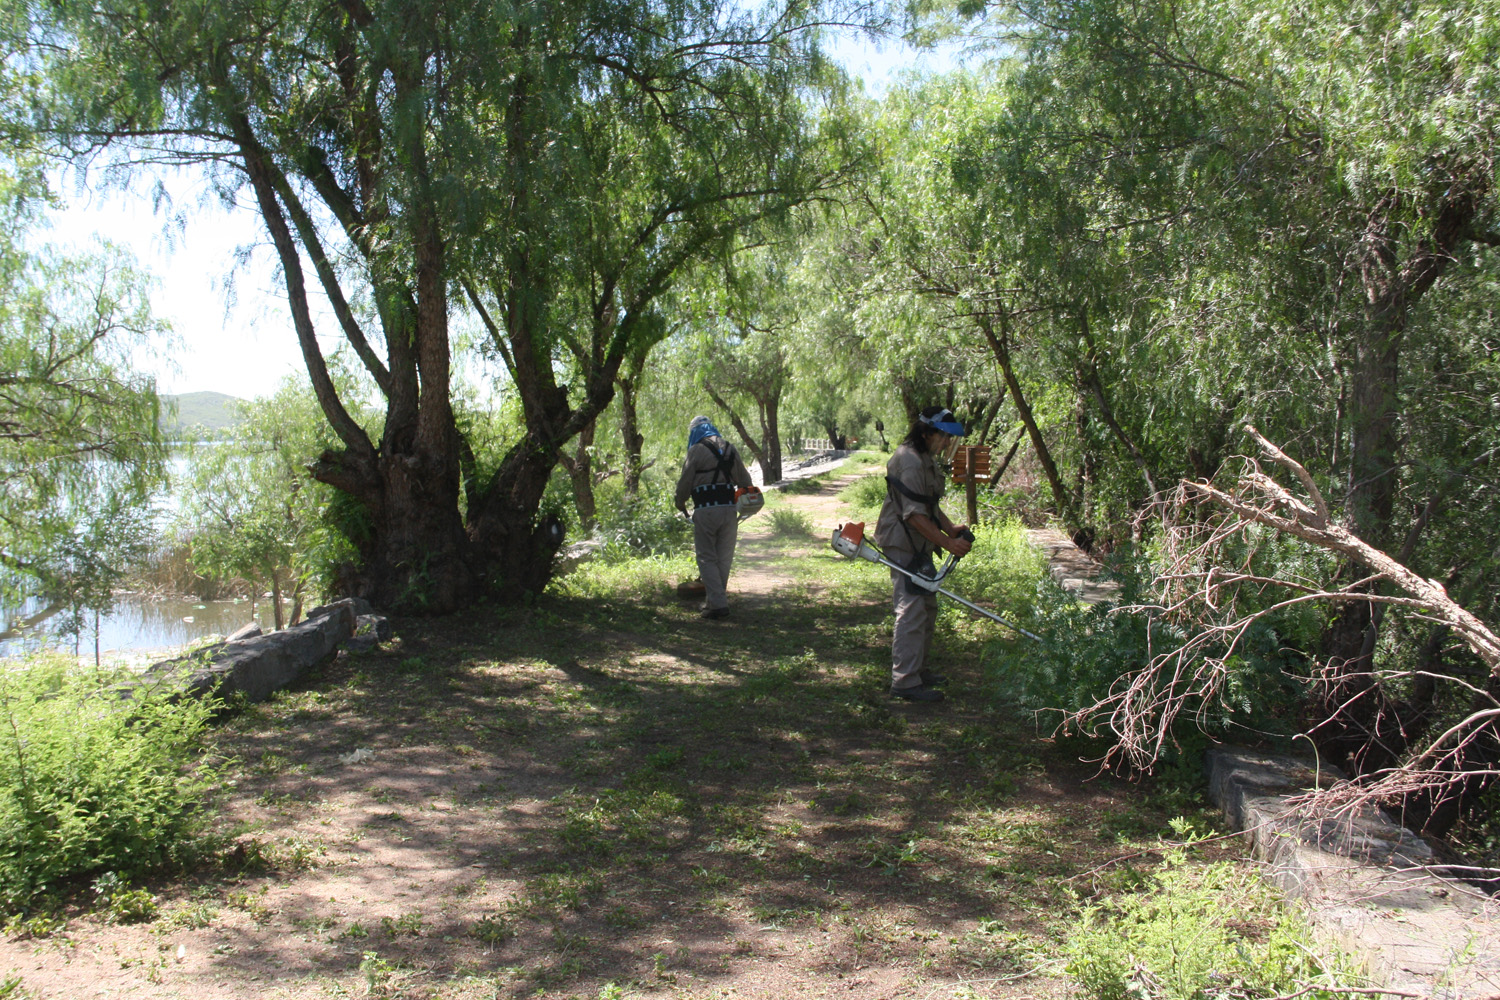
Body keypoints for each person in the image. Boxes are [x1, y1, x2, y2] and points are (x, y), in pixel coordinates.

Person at [874, 406, 972, 702]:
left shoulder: (923, 458)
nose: (946, 444)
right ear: (927, 433)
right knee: (912, 608)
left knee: (927, 607)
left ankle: (917, 670)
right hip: (904, 542)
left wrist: (949, 528)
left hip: (919, 543)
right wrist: (947, 543)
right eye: (943, 437)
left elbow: (928, 504)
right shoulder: (911, 462)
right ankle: (904, 681)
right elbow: (914, 516)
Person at [675, 416, 754, 620]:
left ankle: (717, 604)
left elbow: (685, 484)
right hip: (729, 510)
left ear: (695, 432)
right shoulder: (730, 448)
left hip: (706, 509)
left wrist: (680, 502)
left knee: (706, 557)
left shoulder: (696, 451)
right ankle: (715, 600)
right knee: (724, 557)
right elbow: (745, 481)